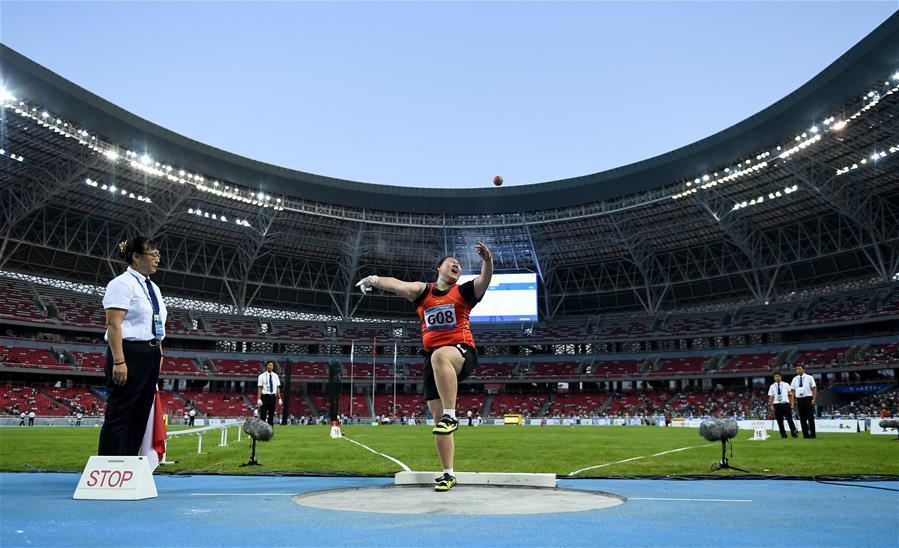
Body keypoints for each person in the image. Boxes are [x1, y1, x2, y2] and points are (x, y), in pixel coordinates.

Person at [356, 242, 493, 492]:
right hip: (433, 362)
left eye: (459, 265)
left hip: (461, 353)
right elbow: (397, 285)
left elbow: (485, 280)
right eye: (451, 261)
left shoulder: (463, 292)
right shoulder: (423, 292)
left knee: (441, 356)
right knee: (438, 424)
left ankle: (453, 414)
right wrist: (372, 279)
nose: (457, 265)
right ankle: (448, 474)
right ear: (439, 267)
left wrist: (487, 260)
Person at [98, 237, 167, 456]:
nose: (157, 259)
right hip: (128, 352)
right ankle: (109, 465)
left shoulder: (153, 288)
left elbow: (156, 322)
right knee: (121, 411)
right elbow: (114, 324)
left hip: (151, 353)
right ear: (136, 257)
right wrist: (119, 361)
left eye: (158, 255)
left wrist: (159, 351)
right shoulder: (121, 284)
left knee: (141, 412)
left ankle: (128, 465)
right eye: (153, 255)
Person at [767, 371, 798, 438]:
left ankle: (794, 434)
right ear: (774, 378)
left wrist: (792, 404)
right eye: (775, 377)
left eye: (778, 376)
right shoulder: (772, 386)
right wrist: (772, 406)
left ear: (781, 377)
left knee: (790, 420)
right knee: (780, 421)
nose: (777, 378)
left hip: (785, 404)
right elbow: (771, 397)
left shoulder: (786, 385)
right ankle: (783, 435)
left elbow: (790, 395)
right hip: (777, 405)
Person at [790, 365, 817, 439]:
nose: (798, 370)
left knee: (810, 417)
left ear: (804, 370)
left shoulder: (809, 377)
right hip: (799, 399)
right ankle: (805, 435)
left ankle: (813, 434)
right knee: (802, 418)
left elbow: (814, 388)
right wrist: (792, 402)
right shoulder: (794, 379)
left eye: (799, 368)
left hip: (808, 398)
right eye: (796, 369)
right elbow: (792, 391)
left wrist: (814, 399)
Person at [256, 361, 282, 426]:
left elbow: (277, 387)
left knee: (271, 414)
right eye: (269, 365)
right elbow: (260, 388)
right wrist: (259, 398)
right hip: (264, 396)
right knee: (263, 414)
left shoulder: (276, 376)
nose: (270, 367)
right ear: (266, 366)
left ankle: (270, 429)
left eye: (272, 366)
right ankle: (262, 428)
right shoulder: (261, 376)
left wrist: (279, 398)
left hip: (272, 397)